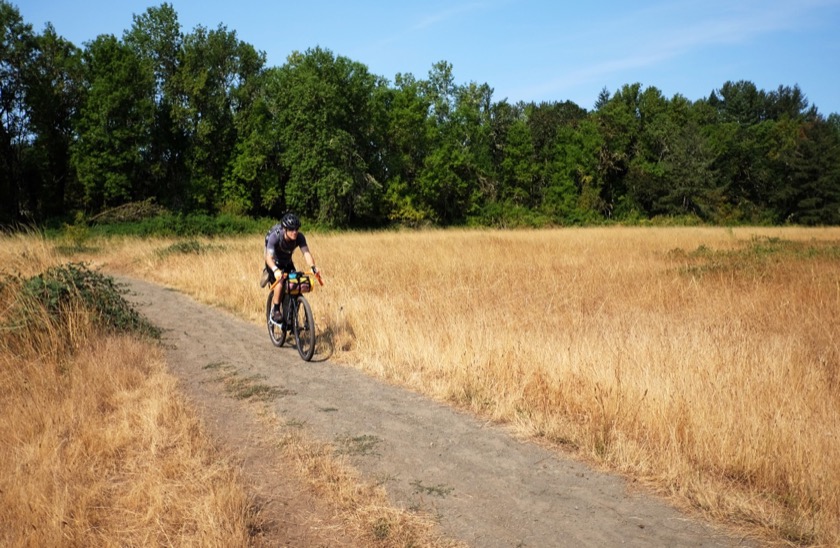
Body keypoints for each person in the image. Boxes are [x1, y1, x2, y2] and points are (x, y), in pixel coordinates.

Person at [264, 212, 319, 324]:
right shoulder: (275, 236)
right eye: (291, 229)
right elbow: (268, 257)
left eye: (296, 229)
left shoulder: (299, 237)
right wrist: (275, 270)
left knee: (297, 282)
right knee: (280, 281)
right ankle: (275, 310)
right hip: (273, 262)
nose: (294, 232)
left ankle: (291, 317)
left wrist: (313, 267)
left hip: (286, 262)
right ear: (285, 229)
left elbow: (306, 253)